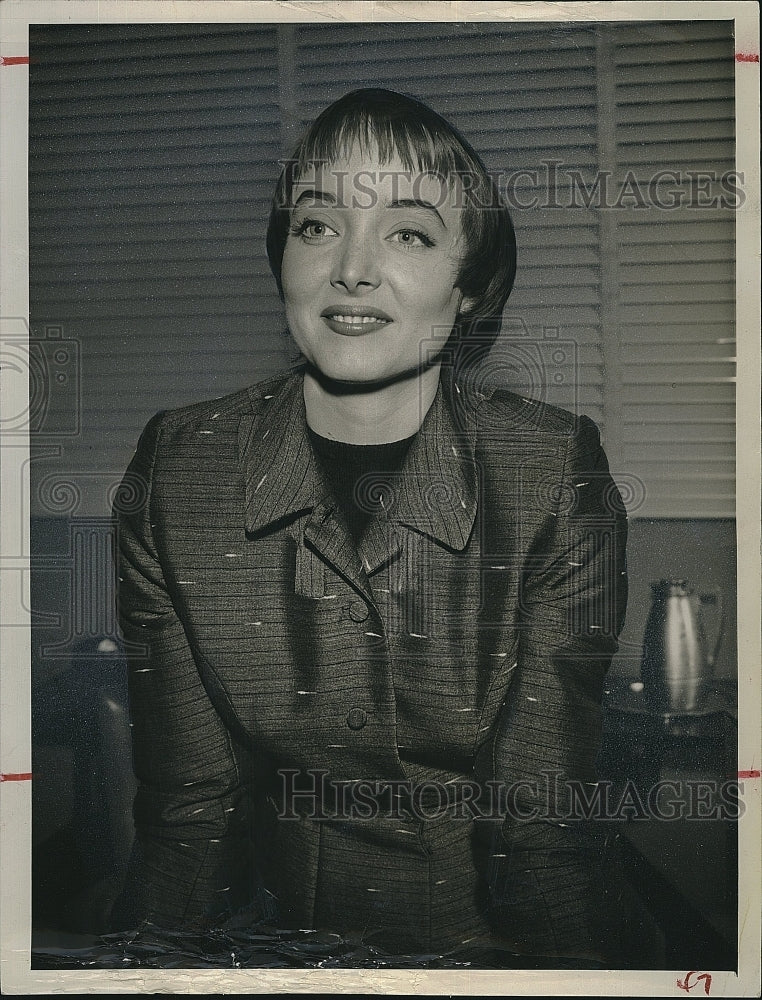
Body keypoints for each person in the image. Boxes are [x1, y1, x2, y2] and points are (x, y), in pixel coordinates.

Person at [110, 88, 628, 966]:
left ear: (469, 288)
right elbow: (188, 813)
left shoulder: (552, 474)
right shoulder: (177, 470)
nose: (351, 269)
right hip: (257, 949)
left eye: (410, 233)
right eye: (317, 226)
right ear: (282, 259)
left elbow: (542, 825)